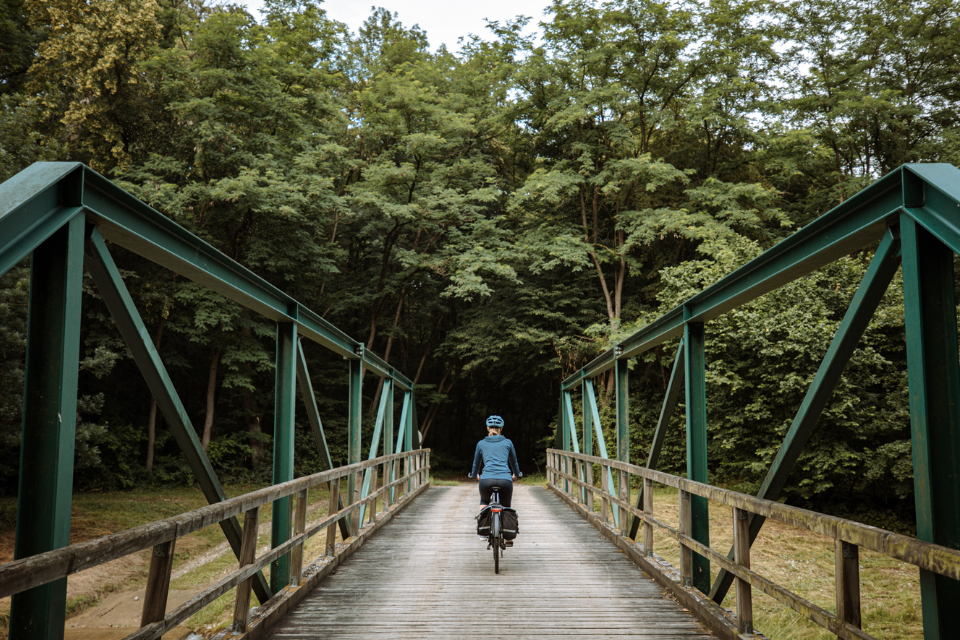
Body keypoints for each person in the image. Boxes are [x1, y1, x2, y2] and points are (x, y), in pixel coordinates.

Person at [470, 415, 521, 516]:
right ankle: (505, 522)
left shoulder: (481, 443)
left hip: (486, 480)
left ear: (487, 428)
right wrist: (516, 474)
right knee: (506, 506)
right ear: (501, 428)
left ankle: (483, 521)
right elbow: (514, 462)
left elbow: (476, 463)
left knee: (484, 501)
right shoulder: (508, 442)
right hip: (505, 480)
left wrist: (474, 475)